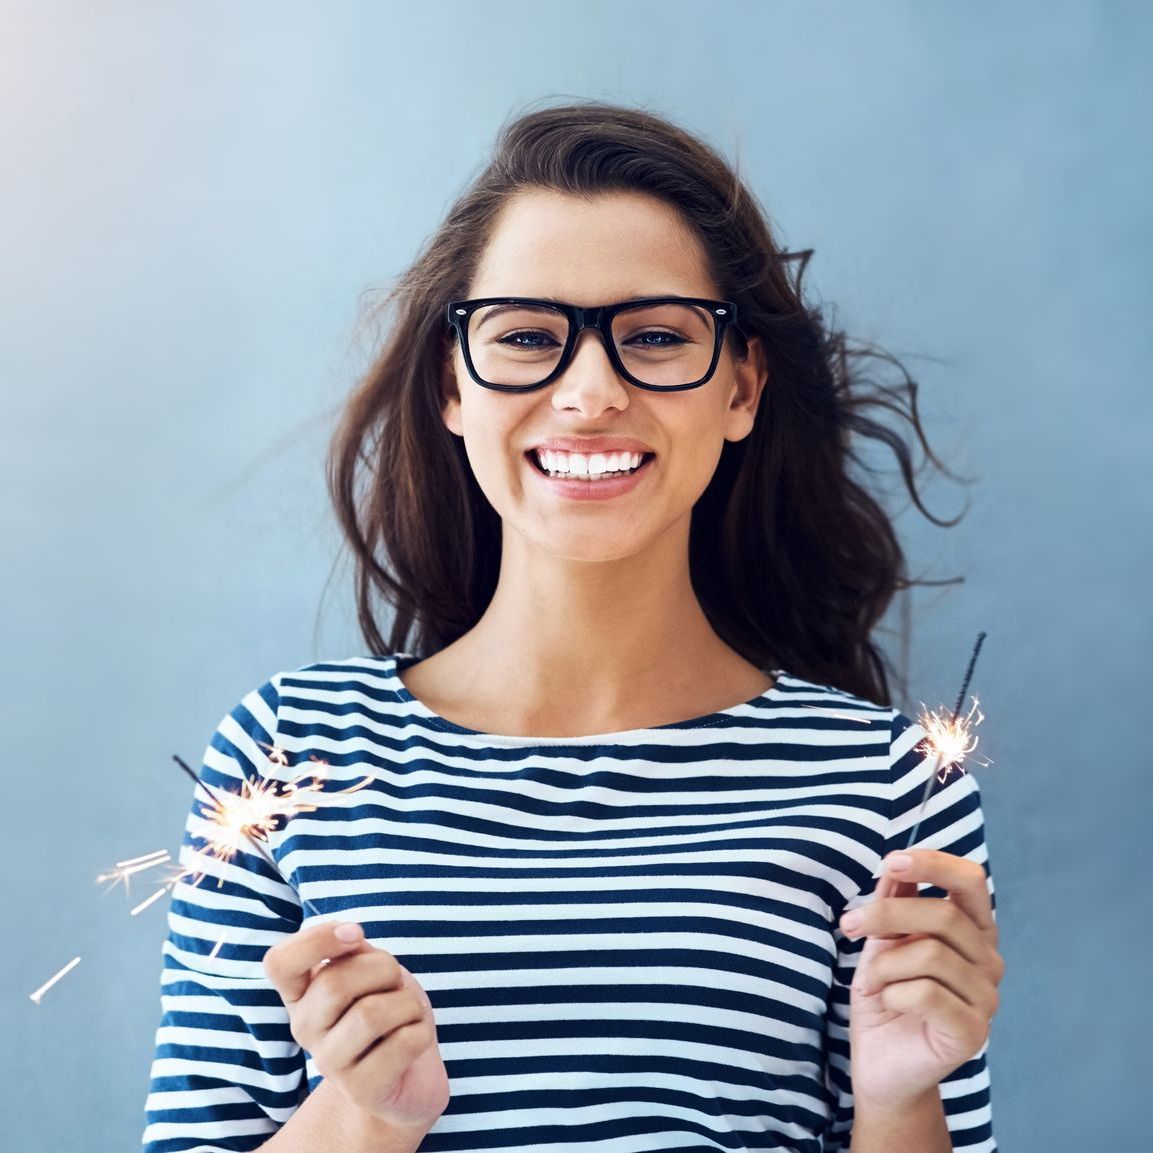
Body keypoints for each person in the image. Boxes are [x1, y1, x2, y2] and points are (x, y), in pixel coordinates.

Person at [142, 102, 1003, 1153]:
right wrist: (366, 1113)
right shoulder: (283, 756)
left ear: (741, 385)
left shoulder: (888, 784)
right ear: (453, 383)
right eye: (527, 338)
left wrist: (901, 1098)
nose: (589, 393)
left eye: (651, 336)